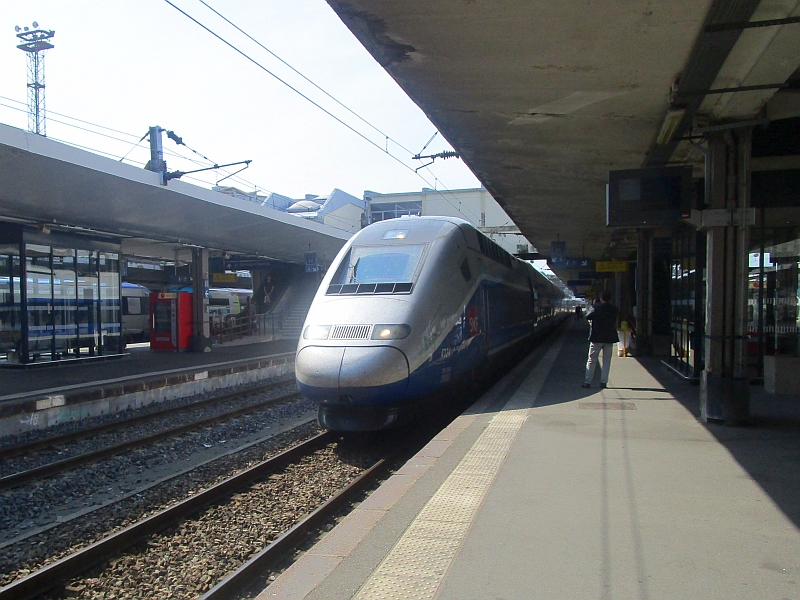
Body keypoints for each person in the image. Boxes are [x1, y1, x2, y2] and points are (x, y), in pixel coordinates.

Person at [582, 290, 619, 389]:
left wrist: (593, 306)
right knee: (606, 361)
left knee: (591, 360)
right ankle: (603, 382)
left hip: (596, 338)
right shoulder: (614, 309)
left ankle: (588, 382)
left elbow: (587, 316)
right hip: (609, 338)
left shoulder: (596, 308)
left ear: (601, 298)